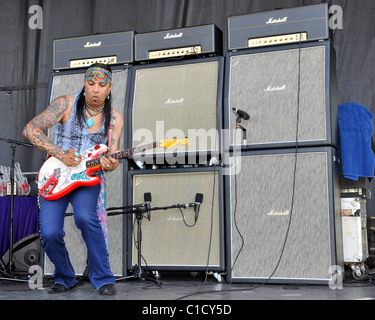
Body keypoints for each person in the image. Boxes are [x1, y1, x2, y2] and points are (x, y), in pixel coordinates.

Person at [22, 63, 123, 295]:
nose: (96, 90)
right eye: (91, 83)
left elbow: (113, 157)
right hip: (56, 176)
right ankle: (65, 277)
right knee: (49, 232)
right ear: (84, 83)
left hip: (87, 179)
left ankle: (104, 279)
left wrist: (110, 163)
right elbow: (30, 129)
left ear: (110, 87)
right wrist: (60, 154)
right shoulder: (65, 104)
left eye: (102, 85)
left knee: (86, 218)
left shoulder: (114, 118)